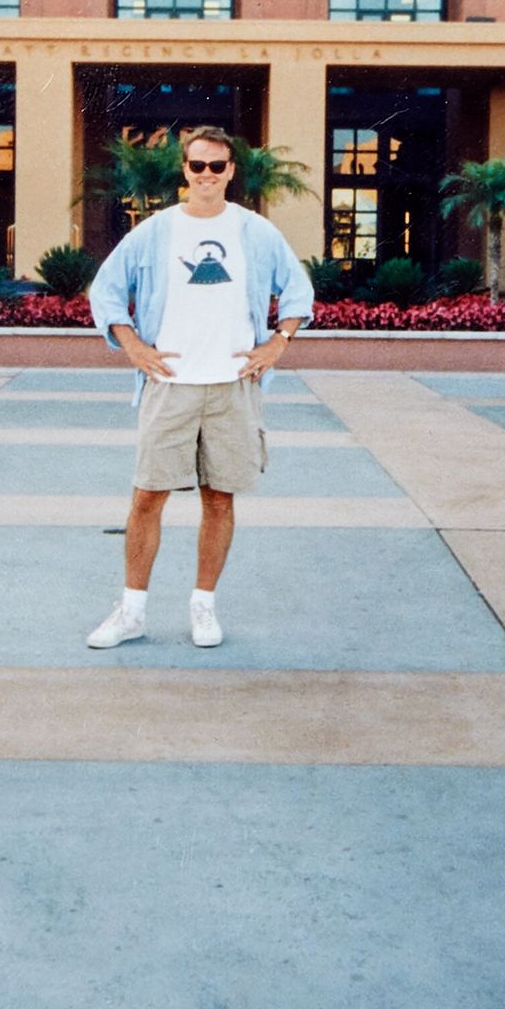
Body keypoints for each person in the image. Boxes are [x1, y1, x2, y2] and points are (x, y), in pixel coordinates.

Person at [86, 125, 314, 650]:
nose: (207, 175)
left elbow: (298, 293)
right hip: (171, 386)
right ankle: (132, 611)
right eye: (197, 166)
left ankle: (203, 607)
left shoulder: (255, 232)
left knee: (219, 500)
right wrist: (134, 346)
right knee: (146, 498)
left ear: (231, 171)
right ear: (184, 171)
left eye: (217, 166)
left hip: (232, 387)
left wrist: (277, 343)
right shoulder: (155, 231)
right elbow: (108, 290)